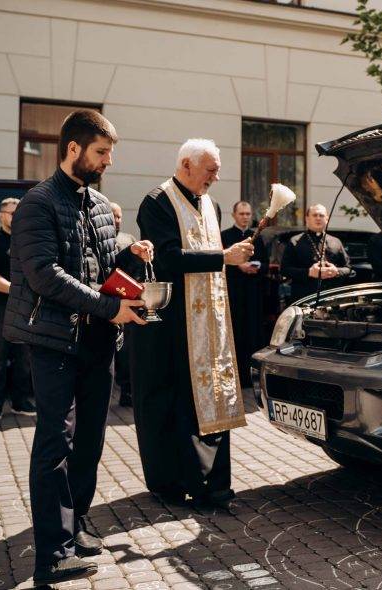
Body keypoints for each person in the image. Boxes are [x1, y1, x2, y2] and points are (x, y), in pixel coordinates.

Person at [3, 109, 154, 585]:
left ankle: (76, 527)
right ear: (73, 149)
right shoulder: (37, 204)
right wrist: (110, 309)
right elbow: (45, 275)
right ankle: (51, 553)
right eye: (102, 152)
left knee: (90, 439)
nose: (108, 161)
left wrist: (132, 253)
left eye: (110, 153)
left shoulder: (97, 202)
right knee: (56, 443)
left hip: (97, 341)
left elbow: (103, 266)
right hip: (53, 340)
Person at [130, 138, 254, 509]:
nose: (215, 177)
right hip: (173, 326)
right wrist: (223, 257)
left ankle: (212, 483)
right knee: (173, 403)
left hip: (210, 324)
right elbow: (166, 258)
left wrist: (228, 257)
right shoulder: (157, 202)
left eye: (217, 170)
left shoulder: (212, 205)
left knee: (212, 399)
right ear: (186, 165)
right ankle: (173, 482)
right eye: (210, 170)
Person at [0, 197, 35, 420]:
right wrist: (19, 290)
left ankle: (20, 402)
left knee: (24, 357)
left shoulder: (29, 242)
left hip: (25, 307)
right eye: (12, 213)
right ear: (1, 215)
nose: (16, 216)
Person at [221, 201, 267, 387]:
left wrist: (256, 267)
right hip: (233, 293)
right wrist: (238, 264)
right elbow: (219, 262)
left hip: (253, 294)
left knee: (253, 333)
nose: (245, 217)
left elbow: (265, 263)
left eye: (248, 214)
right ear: (234, 215)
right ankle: (235, 377)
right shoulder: (225, 236)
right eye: (241, 214)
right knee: (235, 333)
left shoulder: (257, 236)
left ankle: (252, 377)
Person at [281, 204, 352, 303]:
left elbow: (349, 269)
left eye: (321, 215)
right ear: (307, 219)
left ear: (327, 219)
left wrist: (336, 271)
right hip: (304, 298)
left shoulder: (336, 242)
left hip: (331, 299)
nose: (318, 218)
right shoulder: (295, 241)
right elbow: (284, 270)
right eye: (314, 215)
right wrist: (308, 272)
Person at [110, 202, 138, 408]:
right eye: (113, 216)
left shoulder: (129, 239)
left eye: (119, 216)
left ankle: (127, 391)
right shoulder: (100, 239)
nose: (117, 220)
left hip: (128, 300)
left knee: (127, 350)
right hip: (106, 301)